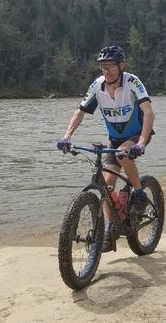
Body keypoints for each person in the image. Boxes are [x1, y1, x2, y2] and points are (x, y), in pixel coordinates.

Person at [57, 45, 156, 251]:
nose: (106, 71)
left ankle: (139, 192)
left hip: (137, 134)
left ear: (121, 66)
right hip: (115, 137)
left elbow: (148, 112)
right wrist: (67, 136)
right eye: (102, 67)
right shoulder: (98, 85)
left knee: (122, 154)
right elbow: (80, 111)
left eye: (110, 66)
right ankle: (111, 229)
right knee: (107, 186)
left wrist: (141, 143)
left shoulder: (132, 82)